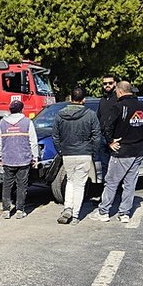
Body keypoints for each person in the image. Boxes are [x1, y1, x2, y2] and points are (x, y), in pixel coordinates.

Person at [90, 81, 143, 223]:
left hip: (122, 151)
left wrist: (110, 141)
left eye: (117, 91)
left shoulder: (119, 107)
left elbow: (105, 125)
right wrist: (140, 141)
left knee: (111, 182)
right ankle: (124, 213)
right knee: (130, 183)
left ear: (121, 91)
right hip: (138, 151)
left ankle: (104, 212)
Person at [52, 87, 100, 225]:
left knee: (70, 181)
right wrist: (93, 152)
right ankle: (76, 215)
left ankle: (67, 208)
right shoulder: (91, 114)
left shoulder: (60, 115)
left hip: (67, 154)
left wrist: (61, 151)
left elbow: (55, 136)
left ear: (70, 98)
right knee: (80, 184)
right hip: (84, 153)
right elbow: (96, 136)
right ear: (84, 99)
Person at [0, 100, 39, 219]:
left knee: (7, 185)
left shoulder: (2, 123)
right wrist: (35, 157)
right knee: (22, 185)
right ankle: (20, 210)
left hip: (8, 159)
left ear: (10, 110)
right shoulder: (27, 122)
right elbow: (33, 142)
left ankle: (6, 210)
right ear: (21, 109)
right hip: (23, 159)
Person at [97, 74, 118, 179]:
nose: (107, 85)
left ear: (115, 83)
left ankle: (116, 193)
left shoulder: (118, 99)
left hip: (115, 139)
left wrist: (113, 140)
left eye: (110, 83)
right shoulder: (102, 100)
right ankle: (106, 192)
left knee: (116, 168)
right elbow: (98, 118)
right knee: (105, 166)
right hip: (103, 138)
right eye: (105, 83)